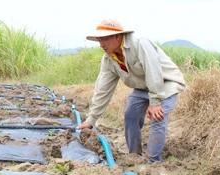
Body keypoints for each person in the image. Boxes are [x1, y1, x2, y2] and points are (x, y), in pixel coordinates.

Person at [76, 18, 186, 163]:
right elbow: (103, 89)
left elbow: (154, 72)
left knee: (158, 117)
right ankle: (134, 156)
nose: (101, 44)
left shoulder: (139, 44)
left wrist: (155, 102)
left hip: (165, 84)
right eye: (99, 40)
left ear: (118, 36)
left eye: (105, 39)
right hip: (142, 87)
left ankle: (153, 162)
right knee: (130, 115)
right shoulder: (109, 59)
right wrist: (91, 120)